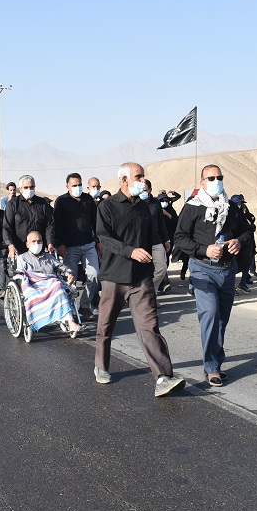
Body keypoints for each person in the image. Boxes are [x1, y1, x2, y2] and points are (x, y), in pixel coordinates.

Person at [94, 162, 185, 398]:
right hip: (114, 276)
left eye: (143, 177)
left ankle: (163, 377)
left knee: (149, 327)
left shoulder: (145, 207)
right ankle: (101, 366)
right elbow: (104, 237)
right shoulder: (107, 206)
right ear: (125, 180)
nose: (143, 181)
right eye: (139, 177)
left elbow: (152, 234)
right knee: (106, 325)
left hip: (141, 278)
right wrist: (130, 251)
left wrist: (161, 249)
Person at [175, 166, 255, 387]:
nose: (216, 181)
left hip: (227, 270)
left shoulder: (231, 207)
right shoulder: (192, 207)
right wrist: (204, 250)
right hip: (202, 269)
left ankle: (216, 363)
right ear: (202, 182)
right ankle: (211, 367)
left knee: (221, 318)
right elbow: (180, 238)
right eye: (211, 178)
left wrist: (239, 241)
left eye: (219, 177)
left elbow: (248, 231)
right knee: (210, 313)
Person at [54, 172, 100, 320]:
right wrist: (60, 244)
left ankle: (84, 306)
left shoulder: (88, 200)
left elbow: (96, 222)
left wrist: (98, 241)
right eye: (74, 185)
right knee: (70, 279)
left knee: (94, 274)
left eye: (79, 185)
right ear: (67, 186)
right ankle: (69, 309)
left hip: (89, 244)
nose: (77, 188)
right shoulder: (61, 201)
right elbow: (57, 224)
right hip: (70, 247)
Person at [17, 231, 81, 335]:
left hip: (52, 284)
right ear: (27, 244)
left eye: (39, 241)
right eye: (34, 241)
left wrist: (69, 273)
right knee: (55, 285)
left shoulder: (49, 257)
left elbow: (61, 267)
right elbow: (20, 276)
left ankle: (69, 321)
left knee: (59, 286)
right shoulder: (22, 258)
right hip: (34, 285)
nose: (37, 244)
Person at [3, 174, 56, 258]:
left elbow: (49, 225)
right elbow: (7, 227)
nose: (29, 190)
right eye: (26, 187)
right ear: (20, 189)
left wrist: (50, 244)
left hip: (39, 248)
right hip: (20, 250)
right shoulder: (12, 204)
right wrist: (11, 246)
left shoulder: (42, 203)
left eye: (31, 187)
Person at [140, 179, 171, 294]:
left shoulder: (156, 203)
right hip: (140, 243)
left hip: (156, 241)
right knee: (142, 272)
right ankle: (147, 297)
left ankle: (149, 291)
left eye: (144, 190)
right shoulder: (134, 202)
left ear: (150, 190)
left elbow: (161, 222)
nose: (142, 192)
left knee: (161, 268)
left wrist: (166, 240)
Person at [230, 194, 257, 293]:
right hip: (232, 244)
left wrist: (250, 223)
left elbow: (251, 227)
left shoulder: (244, 212)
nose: (239, 205)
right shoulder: (228, 214)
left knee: (247, 262)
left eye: (240, 203)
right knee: (232, 266)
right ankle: (231, 287)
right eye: (237, 203)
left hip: (245, 243)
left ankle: (242, 283)